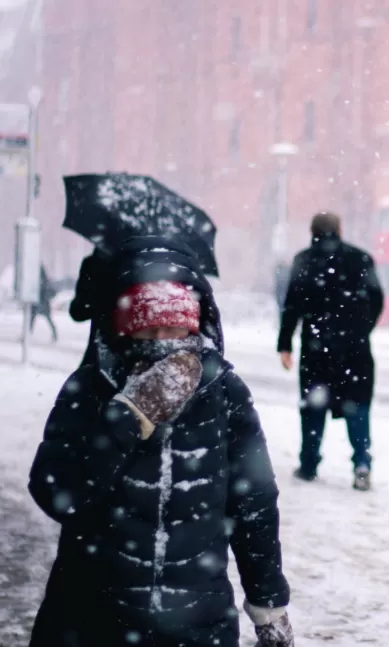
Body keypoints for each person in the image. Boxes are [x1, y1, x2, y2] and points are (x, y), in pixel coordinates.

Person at [27, 237, 293, 647]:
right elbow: (57, 493)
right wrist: (128, 416)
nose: (163, 340)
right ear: (121, 328)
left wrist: (269, 606)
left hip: (198, 625)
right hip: (92, 620)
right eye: (148, 327)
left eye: (174, 327)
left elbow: (254, 504)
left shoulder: (224, 392)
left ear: (195, 323)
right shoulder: (90, 389)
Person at [278, 212, 384, 489]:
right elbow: (377, 298)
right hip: (354, 350)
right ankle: (361, 463)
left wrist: (285, 344)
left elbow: (291, 306)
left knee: (314, 407)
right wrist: (361, 329)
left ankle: (309, 463)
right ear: (340, 228)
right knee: (358, 406)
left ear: (311, 231)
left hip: (316, 349)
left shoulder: (304, 261)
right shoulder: (360, 258)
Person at [69, 248, 113, 368]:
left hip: (100, 351)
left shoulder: (94, 263)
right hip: (140, 349)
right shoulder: (143, 263)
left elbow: (77, 311)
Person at [29, 265, 58, 342]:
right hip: (41, 304)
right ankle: (54, 335)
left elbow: (45, 292)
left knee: (35, 319)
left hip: (41, 304)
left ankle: (55, 335)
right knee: (34, 319)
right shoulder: (43, 281)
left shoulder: (42, 282)